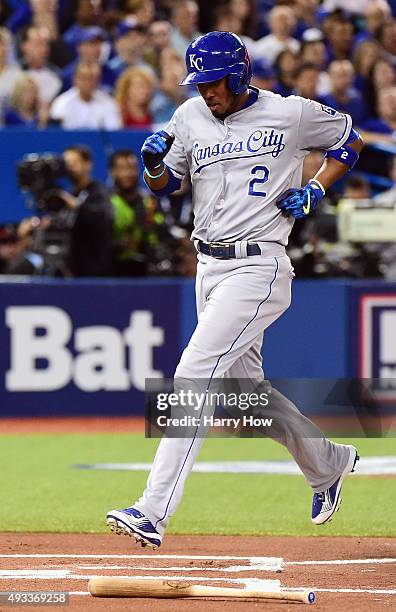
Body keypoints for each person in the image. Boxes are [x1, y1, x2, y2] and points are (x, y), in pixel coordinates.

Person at [107, 31, 362, 548]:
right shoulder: (188, 116)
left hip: (259, 266)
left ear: (240, 74)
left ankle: (153, 510)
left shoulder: (289, 113)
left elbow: (350, 139)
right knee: (248, 396)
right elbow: (166, 185)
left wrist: (314, 189)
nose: (206, 91)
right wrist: (154, 164)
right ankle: (327, 463)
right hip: (208, 267)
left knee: (194, 372)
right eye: (198, 82)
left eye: (213, 81)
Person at [109, 149, 168, 276]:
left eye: (132, 168)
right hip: (113, 271)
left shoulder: (150, 202)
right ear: (112, 172)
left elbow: (162, 229)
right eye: (123, 168)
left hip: (147, 270)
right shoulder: (106, 203)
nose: (128, 173)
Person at [62, 145, 114, 276]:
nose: (70, 168)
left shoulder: (98, 192)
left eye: (74, 163)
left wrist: (76, 206)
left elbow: (101, 218)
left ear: (87, 164)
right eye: (66, 164)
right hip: (73, 268)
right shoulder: (69, 194)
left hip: (96, 270)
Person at [49, 61, 121, 129]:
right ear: (75, 79)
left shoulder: (109, 103)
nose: (88, 83)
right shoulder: (62, 103)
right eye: (84, 78)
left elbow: (114, 130)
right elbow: (58, 132)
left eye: (93, 78)